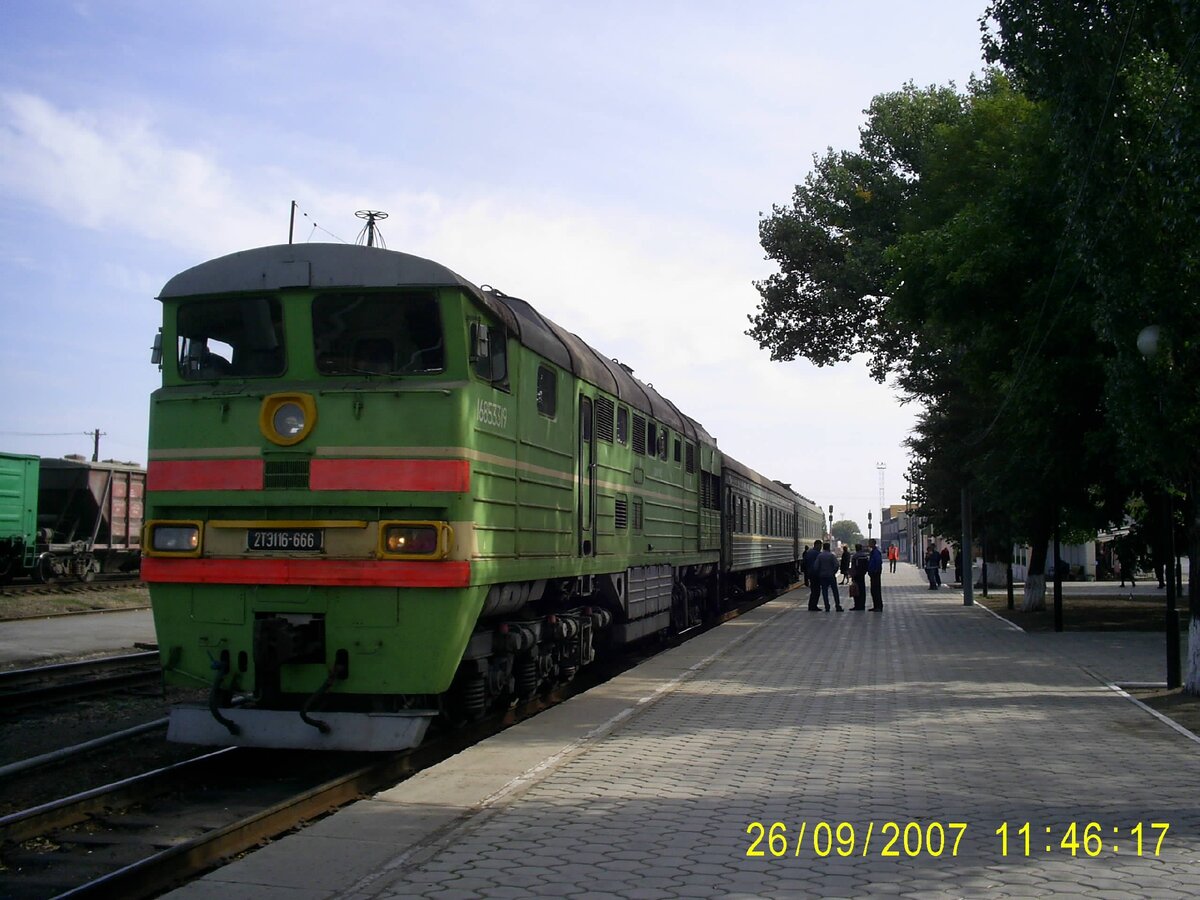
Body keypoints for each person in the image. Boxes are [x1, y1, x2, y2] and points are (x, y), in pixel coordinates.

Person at [814, 541, 843, 611]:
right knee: (835, 591)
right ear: (829, 548)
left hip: (823, 576)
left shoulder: (820, 556)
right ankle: (837, 606)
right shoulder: (831, 555)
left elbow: (816, 566)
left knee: (824, 591)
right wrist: (834, 572)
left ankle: (827, 606)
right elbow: (836, 565)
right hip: (831, 576)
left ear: (823, 548)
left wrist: (818, 573)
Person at [803, 542, 822, 610]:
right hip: (816, 574)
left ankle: (811, 605)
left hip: (810, 573)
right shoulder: (818, 554)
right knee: (816, 591)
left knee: (813, 590)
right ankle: (813, 606)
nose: (820, 548)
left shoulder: (809, 552)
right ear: (817, 545)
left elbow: (804, 562)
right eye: (820, 546)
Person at [851, 543, 869, 610]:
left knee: (856, 589)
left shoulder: (855, 556)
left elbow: (853, 567)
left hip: (856, 574)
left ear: (856, 548)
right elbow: (867, 564)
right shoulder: (865, 556)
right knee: (862, 589)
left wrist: (852, 575)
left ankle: (857, 605)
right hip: (862, 574)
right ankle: (862, 605)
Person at [867, 538, 884, 611]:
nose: (868, 544)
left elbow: (878, 562)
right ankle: (875, 605)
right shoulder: (873, 552)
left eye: (869, 543)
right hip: (873, 573)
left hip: (875, 574)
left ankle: (878, 606)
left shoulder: (876, 552)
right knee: (873, 590)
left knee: (876, 590)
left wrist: (875, 571)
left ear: (873, 543)